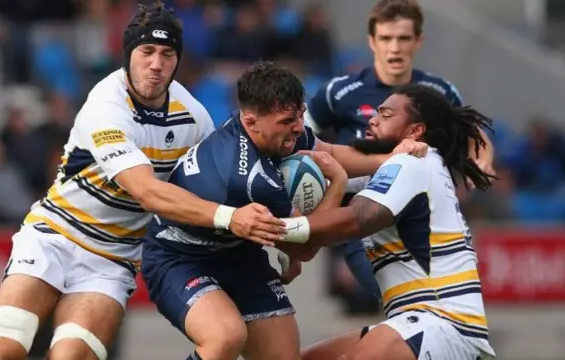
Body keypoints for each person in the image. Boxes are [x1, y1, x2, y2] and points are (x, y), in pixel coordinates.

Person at [0, 3, 289, 360]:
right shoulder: (106, 105)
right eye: (147, 51)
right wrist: (230, 217)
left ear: (177, 60)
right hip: (54, 237)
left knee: (70, 357)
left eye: (167, 54)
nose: (156, 64)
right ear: (129, 54)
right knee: (4, 349)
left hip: (113, 260)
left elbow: (222, 181)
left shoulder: (194, 118)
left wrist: (281, 237)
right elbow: (147, 192)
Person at [139, 61, 427, 360]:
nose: (299, 127)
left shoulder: (273, 130)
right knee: (225, 336)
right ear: (250, 122)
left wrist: (391, 158)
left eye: (300, 115)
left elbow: (328, 153)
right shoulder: (251, 180)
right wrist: (337, 183)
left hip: (237, 253)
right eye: (288, 120)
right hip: (178, 258)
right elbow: (307, 247)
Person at [280, 84, 496, 360]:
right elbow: (329, 155)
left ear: (414, 131)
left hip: (443, 321)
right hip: (418, 321)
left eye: (386, 114)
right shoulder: (388, 168)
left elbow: (358, 219)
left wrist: (276, 228)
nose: (372, 119)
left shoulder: (414, 163)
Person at [304, 0, 496, 308]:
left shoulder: (438, 93)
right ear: (372, 41)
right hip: (365, 223)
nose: (395, 48)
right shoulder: (338, 92)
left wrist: (482, 158)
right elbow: (300, 137)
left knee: (442, 307)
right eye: (386, 38)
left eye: (403, 38)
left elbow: (473, 133)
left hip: (427, 221)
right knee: (411, 303)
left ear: (418, 41)